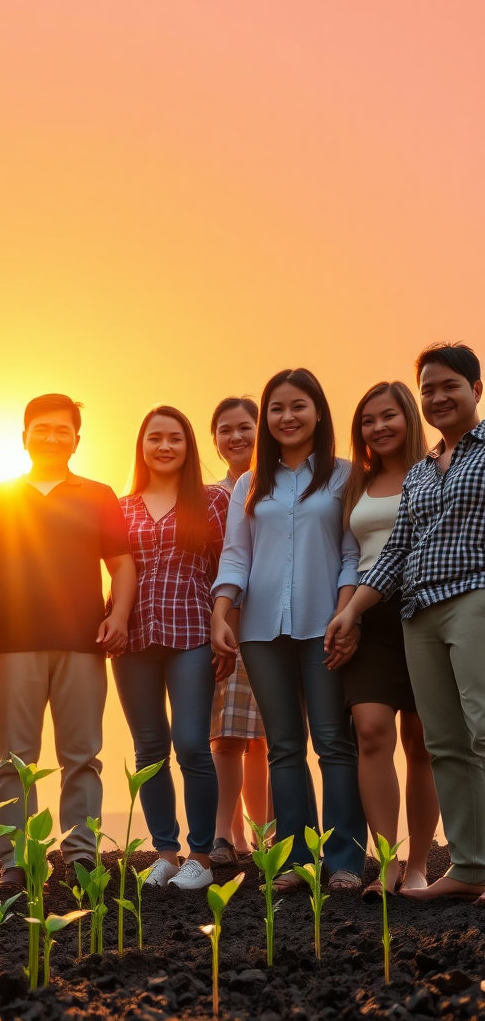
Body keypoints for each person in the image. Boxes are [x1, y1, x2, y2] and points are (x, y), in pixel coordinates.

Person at [327, 344, 485, 902]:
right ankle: (467, 868)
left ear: (475, 390)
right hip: (415, 610)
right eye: (430, 390)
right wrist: (349, 610)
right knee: (443, 743)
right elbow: (395, 552)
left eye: (450, 387)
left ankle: (456, 863)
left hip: (474, 597)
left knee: (478, 731)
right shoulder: (420, 474)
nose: (438, 398)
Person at [211, 367, 366, 892]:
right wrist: (221, 613)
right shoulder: (251, 485)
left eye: (298, 406)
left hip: (325, 627)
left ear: (318, 412)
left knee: (333, 742)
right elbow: (236, 558)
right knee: (283, 746)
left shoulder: (345, 475)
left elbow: (351, 555)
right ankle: (297, 861)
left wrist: (345, 615)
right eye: (277, 408)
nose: (287, 416)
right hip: (259, 631)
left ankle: (345, 859)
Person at [0, 393, 135, 892]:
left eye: (62, 430)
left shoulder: (98, 494)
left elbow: (122, 564)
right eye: (40, 429)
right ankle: (16, 864)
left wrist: (120, 616)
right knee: (15, 760)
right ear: (24, 437)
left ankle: (81, 858)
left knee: (82, 755)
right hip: (12, 642)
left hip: (83, 642)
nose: (51, 437)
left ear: (77, 438)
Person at [111, 406, 229, 890]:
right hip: (133, 635)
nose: (164, 446)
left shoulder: (213, 501)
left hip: (193, 632)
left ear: (189, 446)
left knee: (192, 744)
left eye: (175, 438)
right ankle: (165, 852)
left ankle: (200, 857)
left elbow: (229, 569)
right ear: (141, 446)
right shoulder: (120, 507)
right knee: (149, 750)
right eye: (155, 438)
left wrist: (227, 626)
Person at [334, 381, 439, 896]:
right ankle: (388, 861)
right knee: (371, 731)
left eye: (388, 416)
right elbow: (349, 557)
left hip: (426, 610)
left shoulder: (437, 470)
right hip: (368, 616)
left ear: (409, 418)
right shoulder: (357, 483)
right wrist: (346, 612)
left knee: (422, 742)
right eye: (368, 421)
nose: (378, 427)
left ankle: (419, 864)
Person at [207, 398, 271, 867]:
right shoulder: (211, 496)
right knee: (226, 732)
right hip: (224, 623)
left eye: (245, 427)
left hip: (270, 622)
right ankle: (225, 836)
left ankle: (261, 836)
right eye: (225, 430)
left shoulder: (278, 489)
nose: (236, 437)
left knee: (265, 737)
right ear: (214, 440)